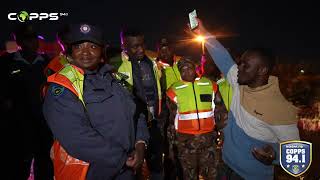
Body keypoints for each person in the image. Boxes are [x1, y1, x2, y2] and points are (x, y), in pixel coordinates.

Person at [193, 18, 300, 179]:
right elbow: (223, 57)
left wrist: (276, 155)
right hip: (225, 166)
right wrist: (204, 32)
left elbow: (298, 152)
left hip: (251, 176)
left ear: (262, 70)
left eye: (245, 65)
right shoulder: (239, 82)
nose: (238, 68)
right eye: (240, 63)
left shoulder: (280, 109)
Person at [43, 23, 149, 180]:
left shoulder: (114, 78)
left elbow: (136, 112)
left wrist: (141, 143)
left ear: (102, 52)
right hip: (90, 172)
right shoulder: (62, 86)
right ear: (70, 52)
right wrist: (122, 158)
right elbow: (76, 137)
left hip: (124, 170)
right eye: (79, 46)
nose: (85, 52)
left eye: (92, 46)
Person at [0, 24, 53, 180]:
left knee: (45, 167)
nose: (33, 43)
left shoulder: (47, 63)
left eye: (34, 39)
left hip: (43, 126)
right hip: (16, 127)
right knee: (16, 167)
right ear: (20, 42)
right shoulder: (5, 63)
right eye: (27, 40)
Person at [109, 28, 163, 180]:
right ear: (123, 45)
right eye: (135, 46)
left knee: (157, 165)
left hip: (152, 122)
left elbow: (156, 90)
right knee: (133, 168)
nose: (141, 49)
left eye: (142, 44)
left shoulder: (150, 63)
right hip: (130, 127)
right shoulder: (114, 65)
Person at [166, 58, 218, 180]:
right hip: (185, 141)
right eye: (182, 70)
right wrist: (171, 144)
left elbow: (220, 110)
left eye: (189, 68)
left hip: (208, 140)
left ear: (195, 68)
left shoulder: (210, 85)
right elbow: (171, 119)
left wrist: (223, 133)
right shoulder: (173, 90)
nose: (186, 72)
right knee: (189, 175)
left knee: (212, 174)